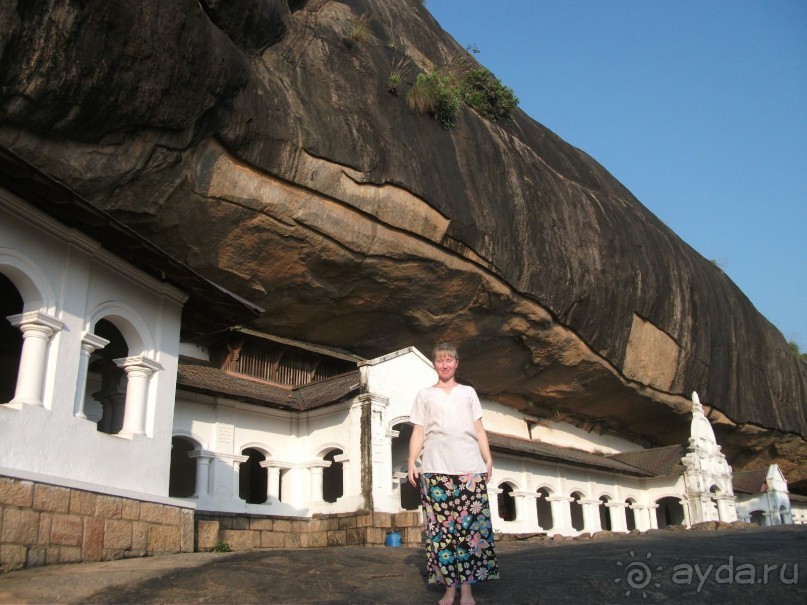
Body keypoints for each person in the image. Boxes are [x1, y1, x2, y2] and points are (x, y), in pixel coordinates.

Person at [408, 343, 499, 605]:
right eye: (440, 361)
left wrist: (488, 458)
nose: (445, 365)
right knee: (441, 531)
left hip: (470, 469)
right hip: (436, 471)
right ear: (434, 365)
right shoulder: (424, 395)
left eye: (449, 360)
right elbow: (418, 431)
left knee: (471, 532)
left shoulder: (468, 393)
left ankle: (467, 591)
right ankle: (449, 589)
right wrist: (412, 460)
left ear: (457, 363)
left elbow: (479, 429)